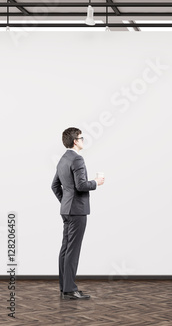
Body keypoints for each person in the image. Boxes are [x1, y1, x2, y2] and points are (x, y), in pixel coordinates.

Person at [51, 127, 105, 300]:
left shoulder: (62, 160)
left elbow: (54, 186)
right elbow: (81, 186)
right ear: (75, 141)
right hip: (77, 211)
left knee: (65, 248)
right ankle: (70, 289)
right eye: (81, 138)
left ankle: (64, 287)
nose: (83, 140)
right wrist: (96, 182)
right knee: (73, 250)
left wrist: (65, 202)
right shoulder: (77, 159)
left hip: (66, 210)